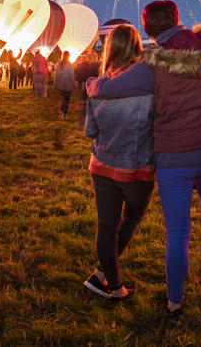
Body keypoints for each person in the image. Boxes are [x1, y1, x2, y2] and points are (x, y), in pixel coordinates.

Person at [87, 0, 201, 317]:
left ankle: (174, 302)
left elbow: (110, 88)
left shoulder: (151, 63)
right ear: (178, 20)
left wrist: (92, 85)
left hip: (173, 155)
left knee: (179, 233)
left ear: (149, 31)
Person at [83, 25, 155, 301]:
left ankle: (110, 282)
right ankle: (112, 285)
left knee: (107, 228)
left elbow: (90, 131)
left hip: (102, 165)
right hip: (138, 166)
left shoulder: (97, 85)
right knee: (131, 220)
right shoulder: (147, 84)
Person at [54, 51, 75, 120]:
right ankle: (65, 113)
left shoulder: (59, 64)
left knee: (64, 99)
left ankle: (61, 113)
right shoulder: (69, 65)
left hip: (61, 85)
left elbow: (56, 75)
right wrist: (73, 85)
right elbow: (71, 76)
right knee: (66, 100)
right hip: (68, 85)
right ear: (69, 56)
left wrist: (56, 85)